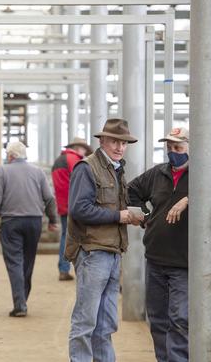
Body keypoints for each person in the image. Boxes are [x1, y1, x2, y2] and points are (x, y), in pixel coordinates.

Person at [65, 118, 144, 361]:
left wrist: (134, 215)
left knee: (106, 322)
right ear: (102, 141)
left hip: (111, 251)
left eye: (124, 143)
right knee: (86, 321)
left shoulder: (116, 168)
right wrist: (118, 216)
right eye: (114, 142)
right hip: (92, 251)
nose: (120, 147)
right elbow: (79, 209)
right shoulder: (86, 168)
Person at [127, 127, 190, 362]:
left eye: (179, 147)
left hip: (183, 263)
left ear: (191, 147)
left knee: (179, 319)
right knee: (158, 318)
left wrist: (187, 199)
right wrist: (143, 216)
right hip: (155, 258)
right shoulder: (157, 174)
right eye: (170, 147)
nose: (173, 152)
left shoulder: (201, 175)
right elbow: (131, 190)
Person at [0, 141, 58, 317]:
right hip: (34, 222)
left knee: (15, 262)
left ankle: (20, 304)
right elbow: (49, 198)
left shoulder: (3, 171)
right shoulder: (38, 172)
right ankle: (22, 299)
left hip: (11, 222)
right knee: (28, 262)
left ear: (10, 156)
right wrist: (53, 219)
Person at [51, 137, 92, 281]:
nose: (85, 151)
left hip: (63, 205)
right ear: (78, 148)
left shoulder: (59, 160)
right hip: (75, 205)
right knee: (80, 237)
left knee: (65, 236)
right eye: (84, 148)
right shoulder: (74, 160)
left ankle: (63, 268)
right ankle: (78, 269)